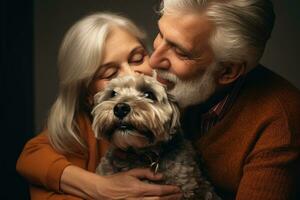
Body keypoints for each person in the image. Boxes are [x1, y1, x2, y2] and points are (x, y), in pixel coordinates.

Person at [16, 12, 182, 200]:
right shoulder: (78, 130)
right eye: (110, 73)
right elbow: (30, 158)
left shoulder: (176, 103)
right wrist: (100, 187)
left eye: (137, 59)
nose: (131, 75)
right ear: (88, 94)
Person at [149, 0, 300, 200]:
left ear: (227, 71)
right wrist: (95, 185)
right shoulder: (169, 85)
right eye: (161, 34)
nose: (153, 60)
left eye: (180, 51)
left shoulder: (282, 122)